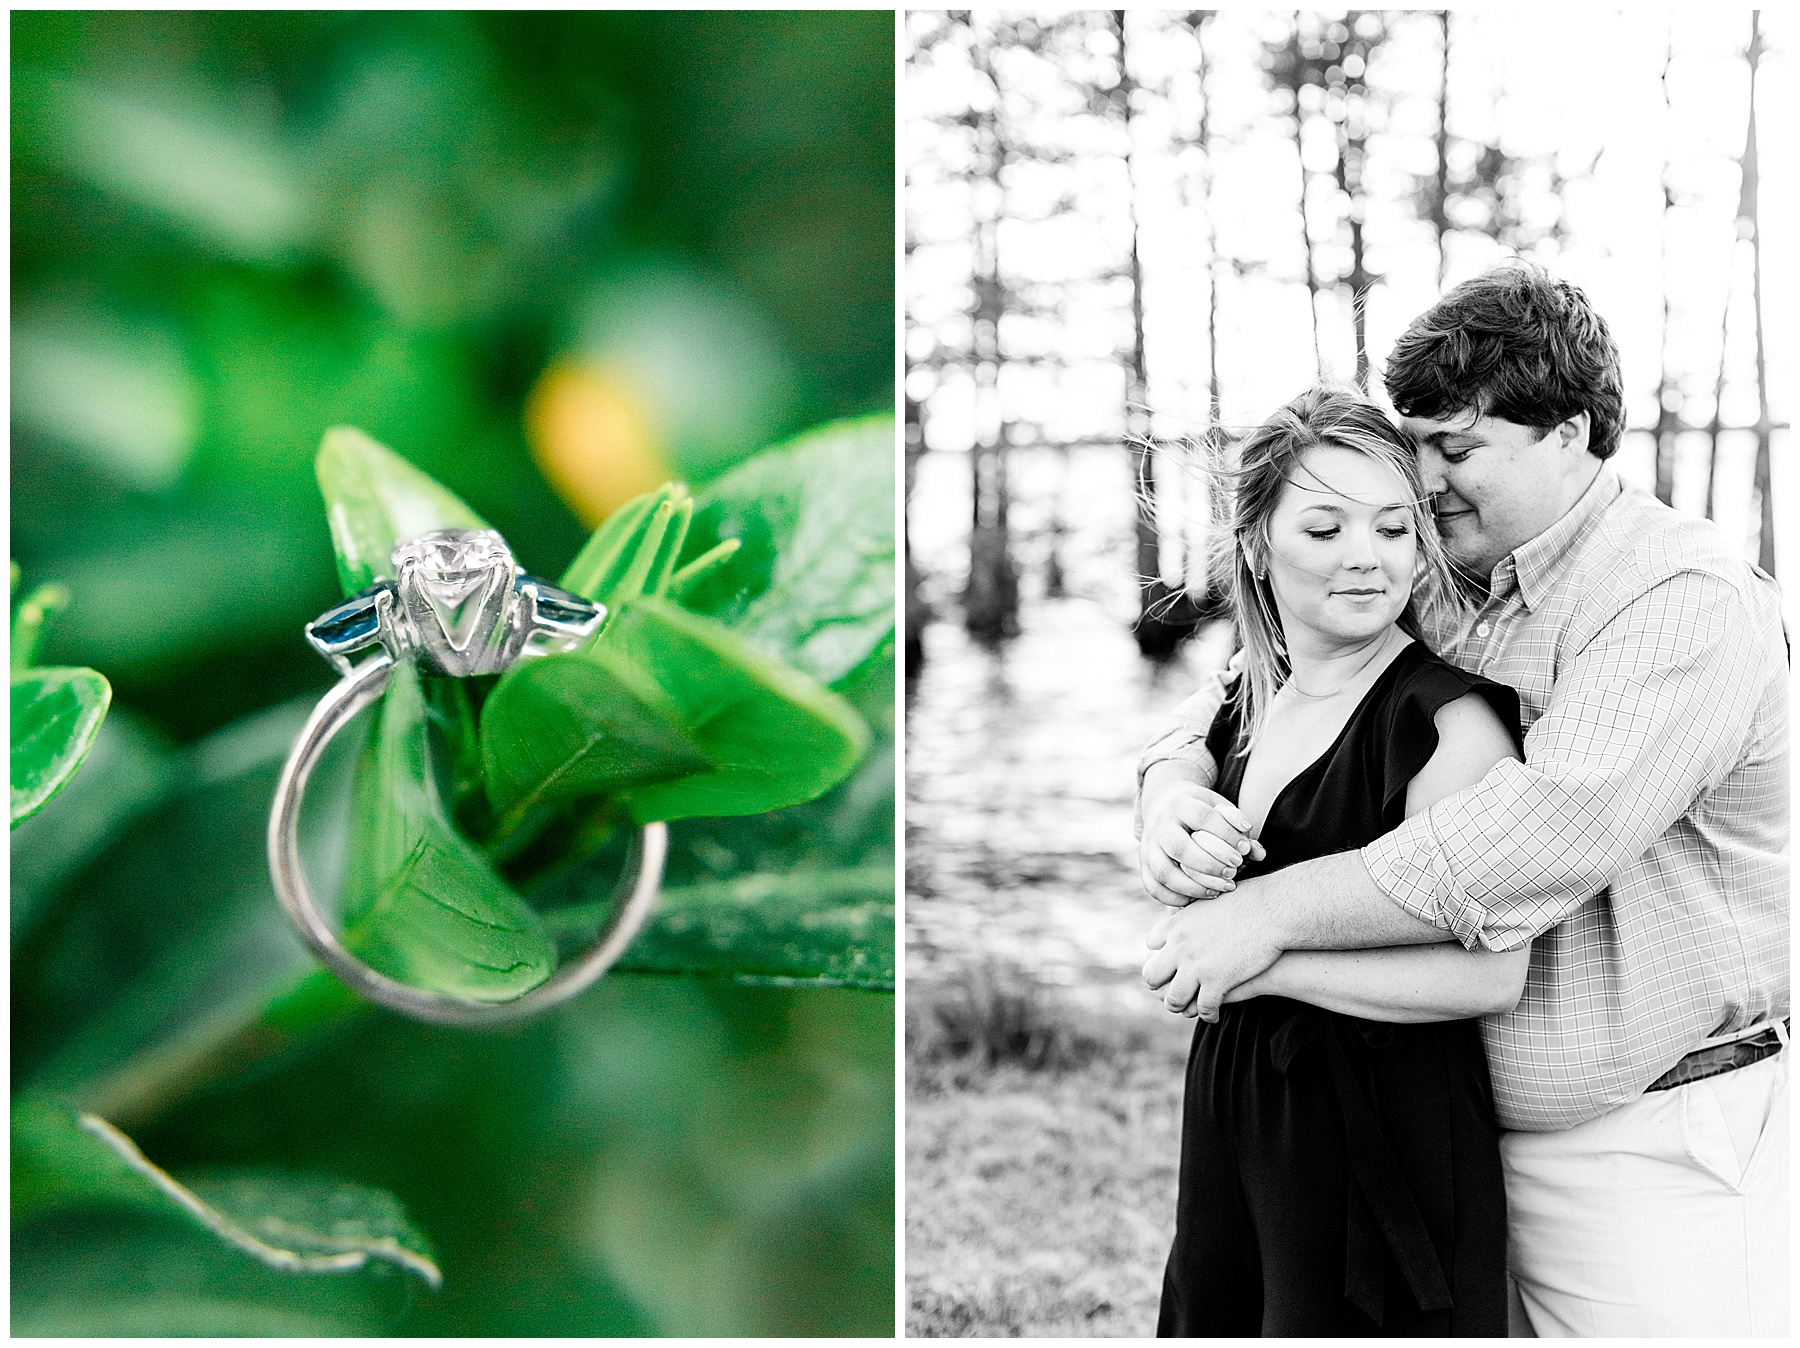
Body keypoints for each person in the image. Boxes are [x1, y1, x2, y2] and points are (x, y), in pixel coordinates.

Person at [1139, 262, 1789, 1337]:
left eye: (1458, 447)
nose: (1428, 483)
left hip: (1646, 1144)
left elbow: (1519, 842)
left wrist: (1261, 919)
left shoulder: (1682, 602)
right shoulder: (1458, 578)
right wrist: (1169, 783)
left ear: (1570, 431)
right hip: (1447, 1134)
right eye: (1418, 442)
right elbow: (1261, 684)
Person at [1155, 385, 1526, 1336]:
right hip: (1240, 1104)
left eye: (1395, 528)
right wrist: (1163, 799)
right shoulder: (1243, 703)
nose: (1367, 556)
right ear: (1256, 547)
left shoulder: (1449, 723)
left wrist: (1260, 955)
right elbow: (1188, 743)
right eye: (1325, 528)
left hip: (1384, 1131)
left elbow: (1488, 975)